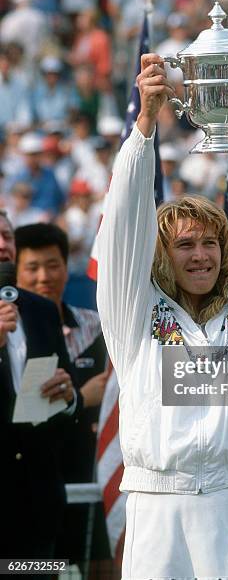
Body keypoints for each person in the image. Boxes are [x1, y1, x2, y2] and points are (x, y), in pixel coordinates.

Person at [96, 49, 228, 578]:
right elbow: (123, 223)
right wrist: (144, 127)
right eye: (185, 244)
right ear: (162, 254)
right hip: (158, 510)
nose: (202, 254)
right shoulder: (132, 314)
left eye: (212, 243)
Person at [14, 222, 113, 574]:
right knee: (38, 568)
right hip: (35, 485)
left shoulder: (101, 327)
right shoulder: (12, 337)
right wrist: (82, 399)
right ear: (15, 270)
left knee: (104, 569)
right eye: (33, 267)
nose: (44, 276)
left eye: (53, 265)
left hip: (94, 477)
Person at [0, 209, 81, 570]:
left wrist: (69, 397)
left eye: (7, 236)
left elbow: (68, 399)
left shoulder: (43, 311)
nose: (3, 245)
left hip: (38, 511)